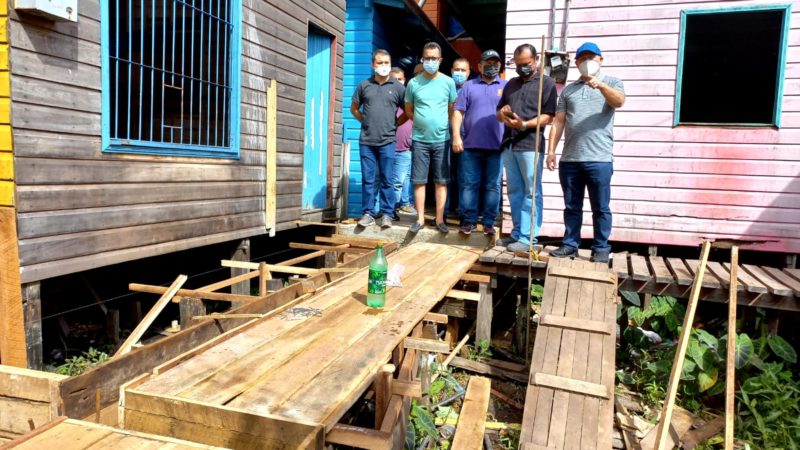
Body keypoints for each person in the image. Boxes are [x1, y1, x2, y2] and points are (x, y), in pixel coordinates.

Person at [547, 42, 625, 263]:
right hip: (570, 159)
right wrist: (551, 151)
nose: (587, 61)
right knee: (572, 206)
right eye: (582, 58)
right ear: (576, 63)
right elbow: (558, 121)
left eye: (591, 57)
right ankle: (570, 245)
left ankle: (601, 248)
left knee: (601, 207)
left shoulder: (612, 82)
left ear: (601, 60)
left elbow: (619, 101)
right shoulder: (568, 90)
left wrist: (600, 86)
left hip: (599, 159)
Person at [495, 43, 558, 253]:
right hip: (510, 143)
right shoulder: (511, 84)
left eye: (527, 63)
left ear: (536, 59)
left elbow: (548, 116)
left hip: (531, 144)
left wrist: (524, 124)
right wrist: (503, 113)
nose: (523, 67)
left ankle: (528, 237)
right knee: (514, 191)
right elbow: (498, 113)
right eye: (519, 64)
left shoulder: (546, 83)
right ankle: (516, 233)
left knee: (531, 192)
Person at [452, 49, 506, 236]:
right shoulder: (469, 86)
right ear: (480, 66)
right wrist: (457, 136)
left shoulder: (506, 86)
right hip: (470, 146)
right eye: (488, 63)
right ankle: (469, 222)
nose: (492, 66)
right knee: (469, 185)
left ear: (500, 65)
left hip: (497, 147)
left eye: (495, 63)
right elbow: (458, 112)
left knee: (493, 186)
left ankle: (489, 223)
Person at [404, 42, 457, 233]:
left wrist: (439, 123)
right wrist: (422, 121)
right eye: (427, 58)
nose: (431, 61)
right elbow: (408, 110)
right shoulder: (413, 83)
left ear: (440, 60)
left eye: (434, 58)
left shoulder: (448, 82)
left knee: (441, 181)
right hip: (419, 139)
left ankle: (440, 219)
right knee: (419, 180)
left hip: (442, 139)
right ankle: (419, 219)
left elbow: (452, 109)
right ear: (422, 59)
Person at [351, 49, 407, 228]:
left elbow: (408, 111)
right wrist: (365, 121)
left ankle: (387, 214)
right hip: (366, 141)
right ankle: (368, 213)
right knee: (368, 179)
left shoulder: (398, 87)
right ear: (372, 65)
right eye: (380, 62)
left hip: (387, 141)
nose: (383, 66)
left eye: (386, 63)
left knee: (387, 179)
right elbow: (354, 108)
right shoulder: (364, 85)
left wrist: (395, 124)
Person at [446, 58, 471, 220]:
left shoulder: (472, 89)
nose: (459, 73)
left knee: (465, 177)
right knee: (445, 177)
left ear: (469, 73)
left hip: (465, 139)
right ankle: (444, 212)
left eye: (463, 70)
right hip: (443, 138)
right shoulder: (444, 87)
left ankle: (464, 213)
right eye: (457, 70)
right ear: (451, 71)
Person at [389, 67, 415, 216]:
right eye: (394, 79)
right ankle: (391, 209)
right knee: (396, 181)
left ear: (405, 80)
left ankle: (404, 204)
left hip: (406, 149)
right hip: (391, 147)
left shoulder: (409, 100)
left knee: (406, 179)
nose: (398, 82)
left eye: (400, 79)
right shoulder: (388, 100)